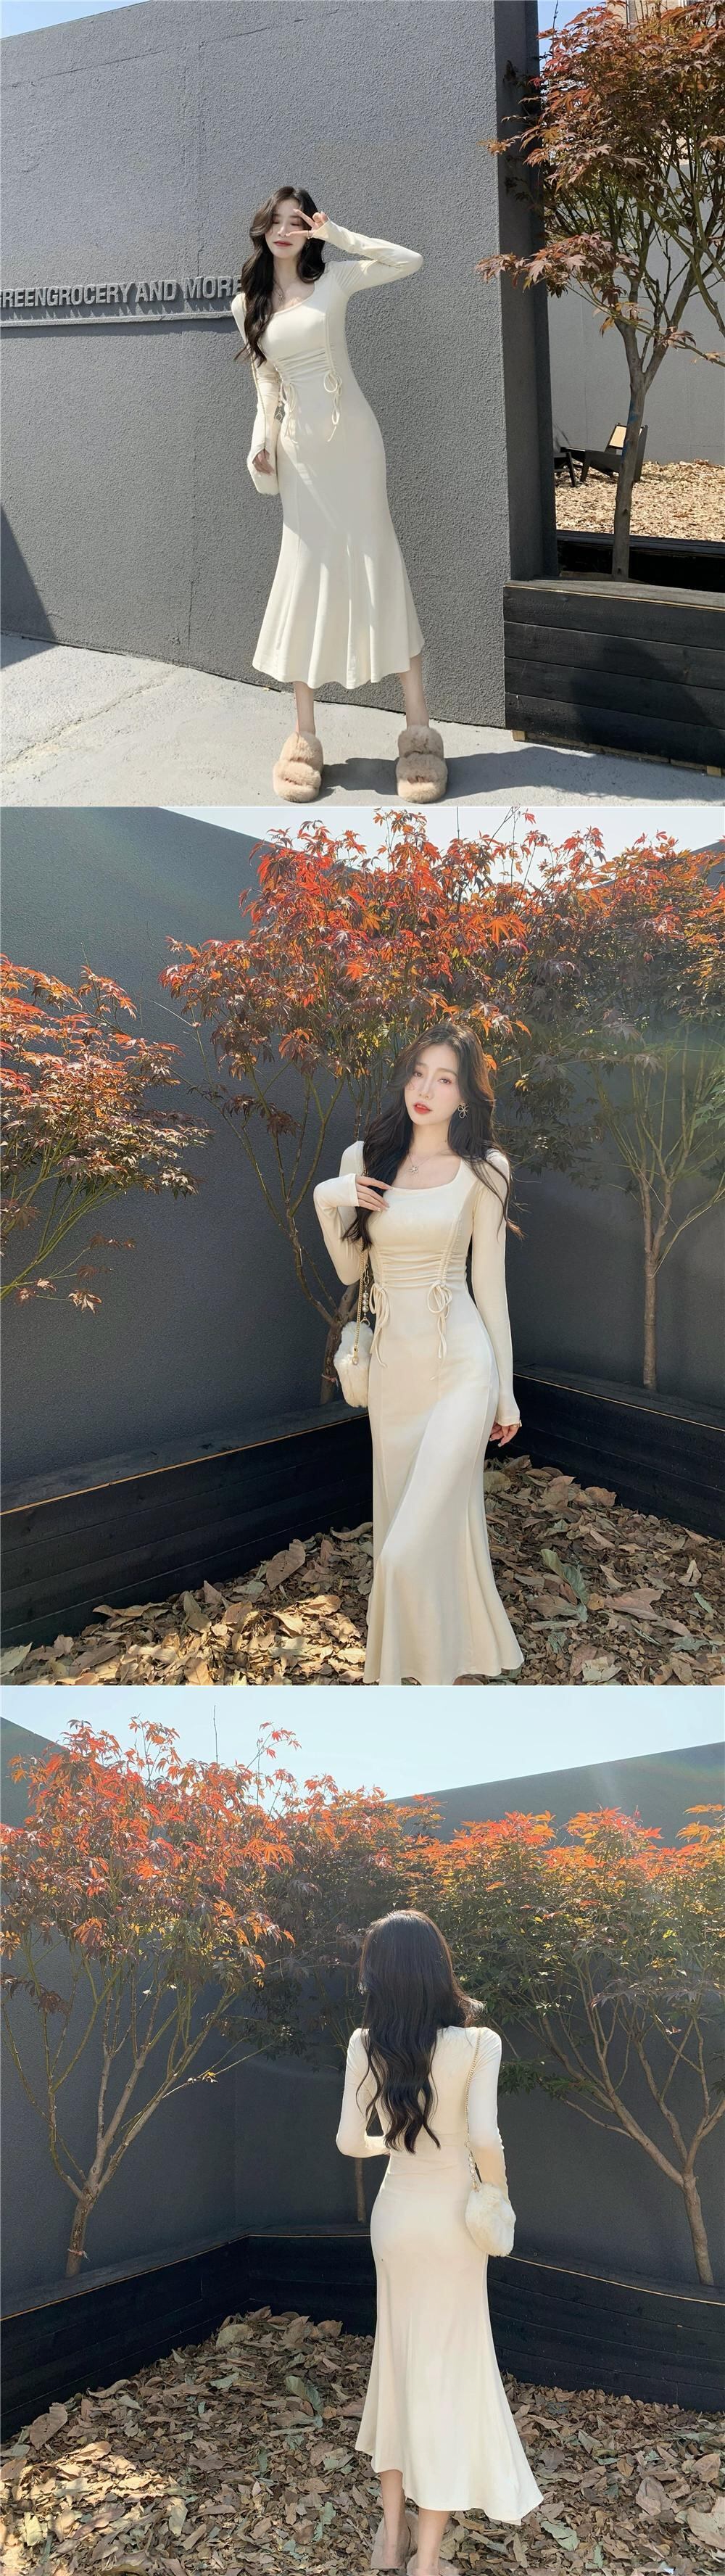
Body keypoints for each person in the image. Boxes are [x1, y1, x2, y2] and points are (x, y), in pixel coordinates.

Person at [313, 1023, 523, 1685]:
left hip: (462, 1364)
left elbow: (490, 1288)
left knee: (407, 1548)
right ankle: (442, 1664)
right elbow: (351, 1271)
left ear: (465, 1096)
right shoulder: (363, 1158)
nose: (425, 1089)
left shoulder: (485, 1169)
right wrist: (326, 1198)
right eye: (418, 1072)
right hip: (394, 1372)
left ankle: (421, 1669)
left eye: (445, 1078)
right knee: (415, 1518)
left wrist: (506, 1391)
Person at [336, 1910, 542, 2574]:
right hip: (453, 2221)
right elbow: (484, 2136)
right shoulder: (479, 2043)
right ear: (438, 1966)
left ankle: (388, 2541)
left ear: (378, 1975)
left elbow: (349, 2142)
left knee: (397, 2367)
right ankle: (426, 2561)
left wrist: (395, 2147)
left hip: (396, 2218)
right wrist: (496, 2193)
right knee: (446, 2377)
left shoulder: (365, 2043)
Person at [231, 186, 446, 805]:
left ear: (309, 228)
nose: (284, 230)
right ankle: (303, 738)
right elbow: (265, 386)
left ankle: (419, 733)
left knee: (378, 562)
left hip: (354, 443)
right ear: (262, 229)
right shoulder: (247, 303)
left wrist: (338, 234)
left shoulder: (336, 281)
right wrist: (262, 442)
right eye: (275, 221)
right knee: (303, 572)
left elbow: (408, 260)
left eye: (296, 222)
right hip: (300, 453)